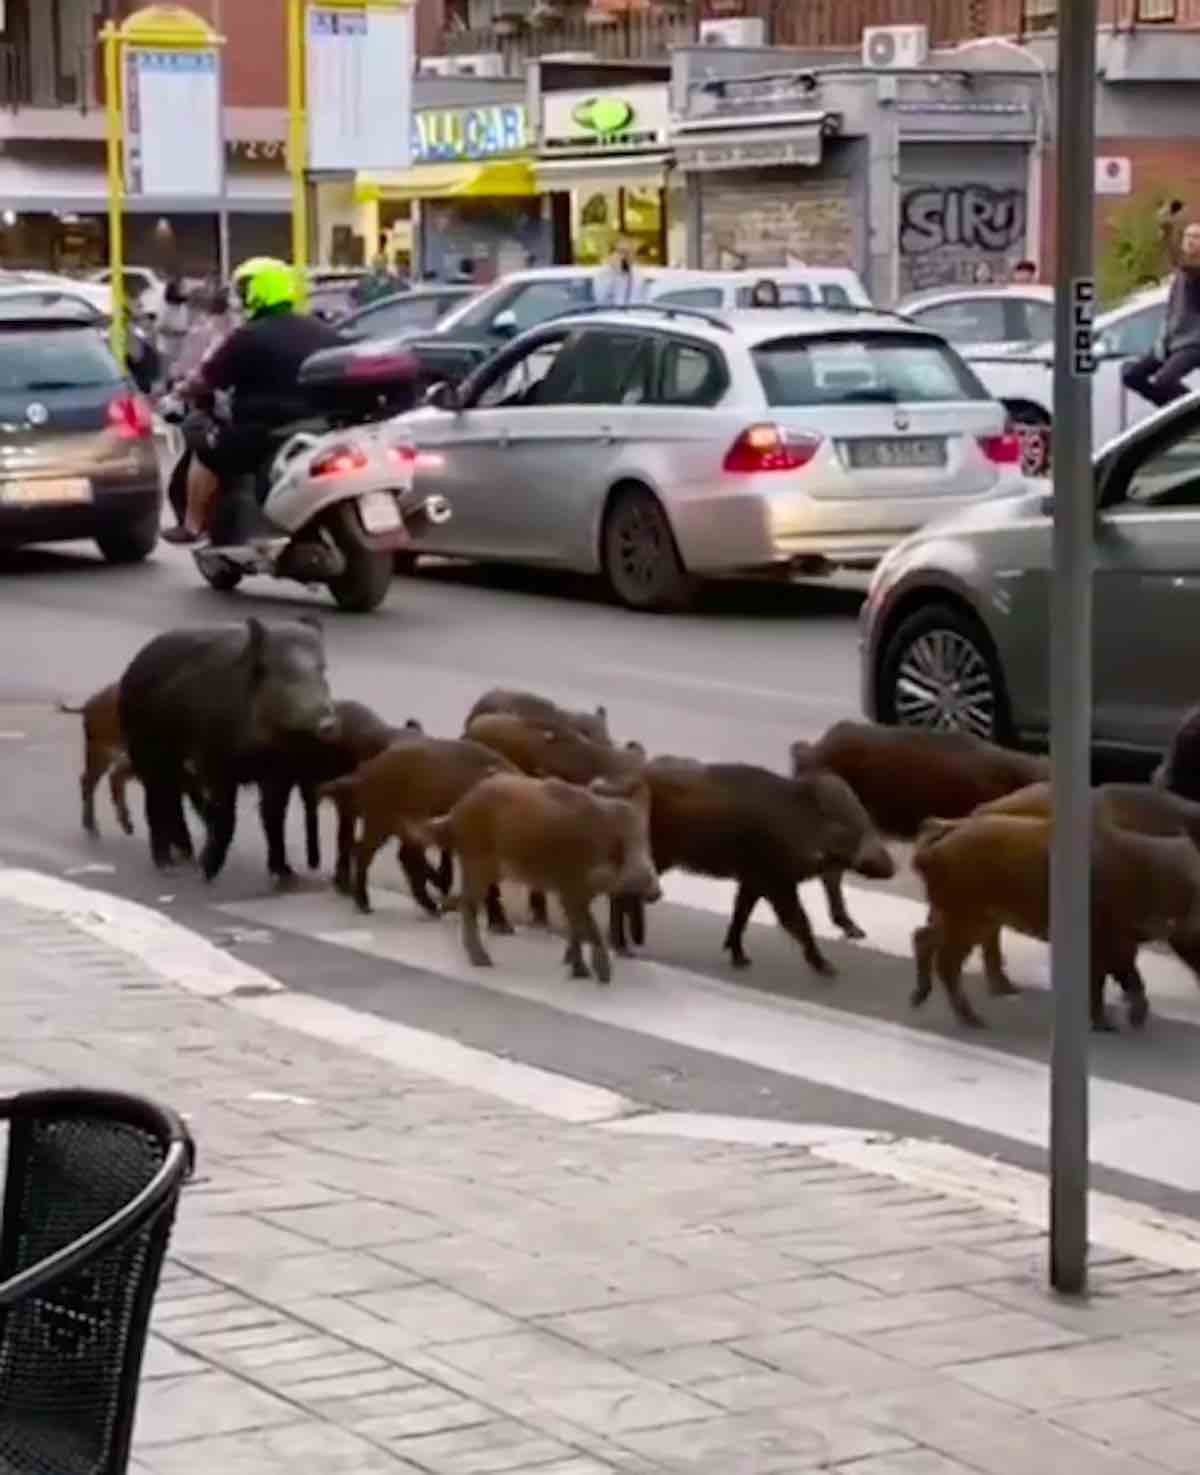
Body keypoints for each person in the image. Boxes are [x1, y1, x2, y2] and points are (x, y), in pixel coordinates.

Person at [163, 258, 343, 545]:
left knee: (204, 446)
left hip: (263, 431)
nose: (240, 296)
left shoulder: (247, 336)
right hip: (324, 425)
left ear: (257, 291)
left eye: (245, 288)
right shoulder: (323, 330)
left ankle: (193, 525)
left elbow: (207, 379)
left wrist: (180, 392)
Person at [1122, 201, 1200, 409]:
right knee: (1132, 375)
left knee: (1164, 380)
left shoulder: (1195, 270)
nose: (1191, 241)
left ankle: (1189, 416)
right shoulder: (1180, 274)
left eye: (1197, 237)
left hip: (1193, 344)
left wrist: (1167, 231)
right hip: (1172, 341)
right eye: (1188, 237)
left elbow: (1181, 263)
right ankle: (1177, 414)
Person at [595, 239, 640, 307]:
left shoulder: (639, 274)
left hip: (633, 314)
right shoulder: (603, 273)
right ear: (612, 253)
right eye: (622, 251)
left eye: (629, 252)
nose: (625, 255)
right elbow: (600, 298)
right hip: (609, 314)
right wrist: (616, 272)